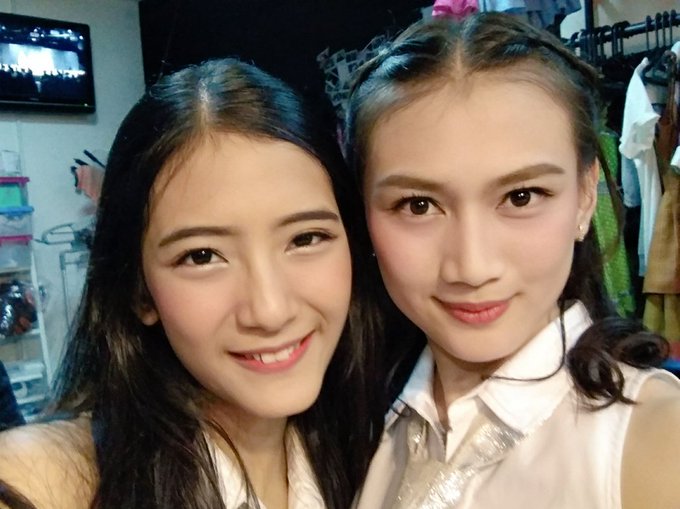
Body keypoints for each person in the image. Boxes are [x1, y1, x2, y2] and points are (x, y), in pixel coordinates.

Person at [0, 57, 384, 509]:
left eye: (305, 238)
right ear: (139, 290)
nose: (270, 310)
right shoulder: (48, 481)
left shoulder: (377, 447)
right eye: (202, 256)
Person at [345, 12, 680, 509]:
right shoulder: (356, 427)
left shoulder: (657, 441)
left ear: (585, 196)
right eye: (418, 205)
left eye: (521, 197)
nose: (472, 267)